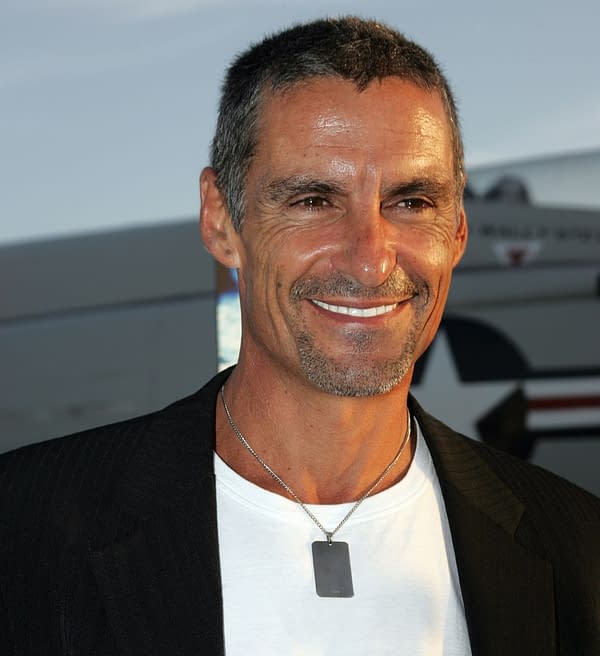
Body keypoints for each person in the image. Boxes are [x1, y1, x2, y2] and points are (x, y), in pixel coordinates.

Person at [1, 16, 598, 656]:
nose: (370, 261)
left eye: (412, 202)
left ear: (457, 232)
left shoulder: (579, 551)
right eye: (313, 200)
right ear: (220, 219)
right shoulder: (21, 532)